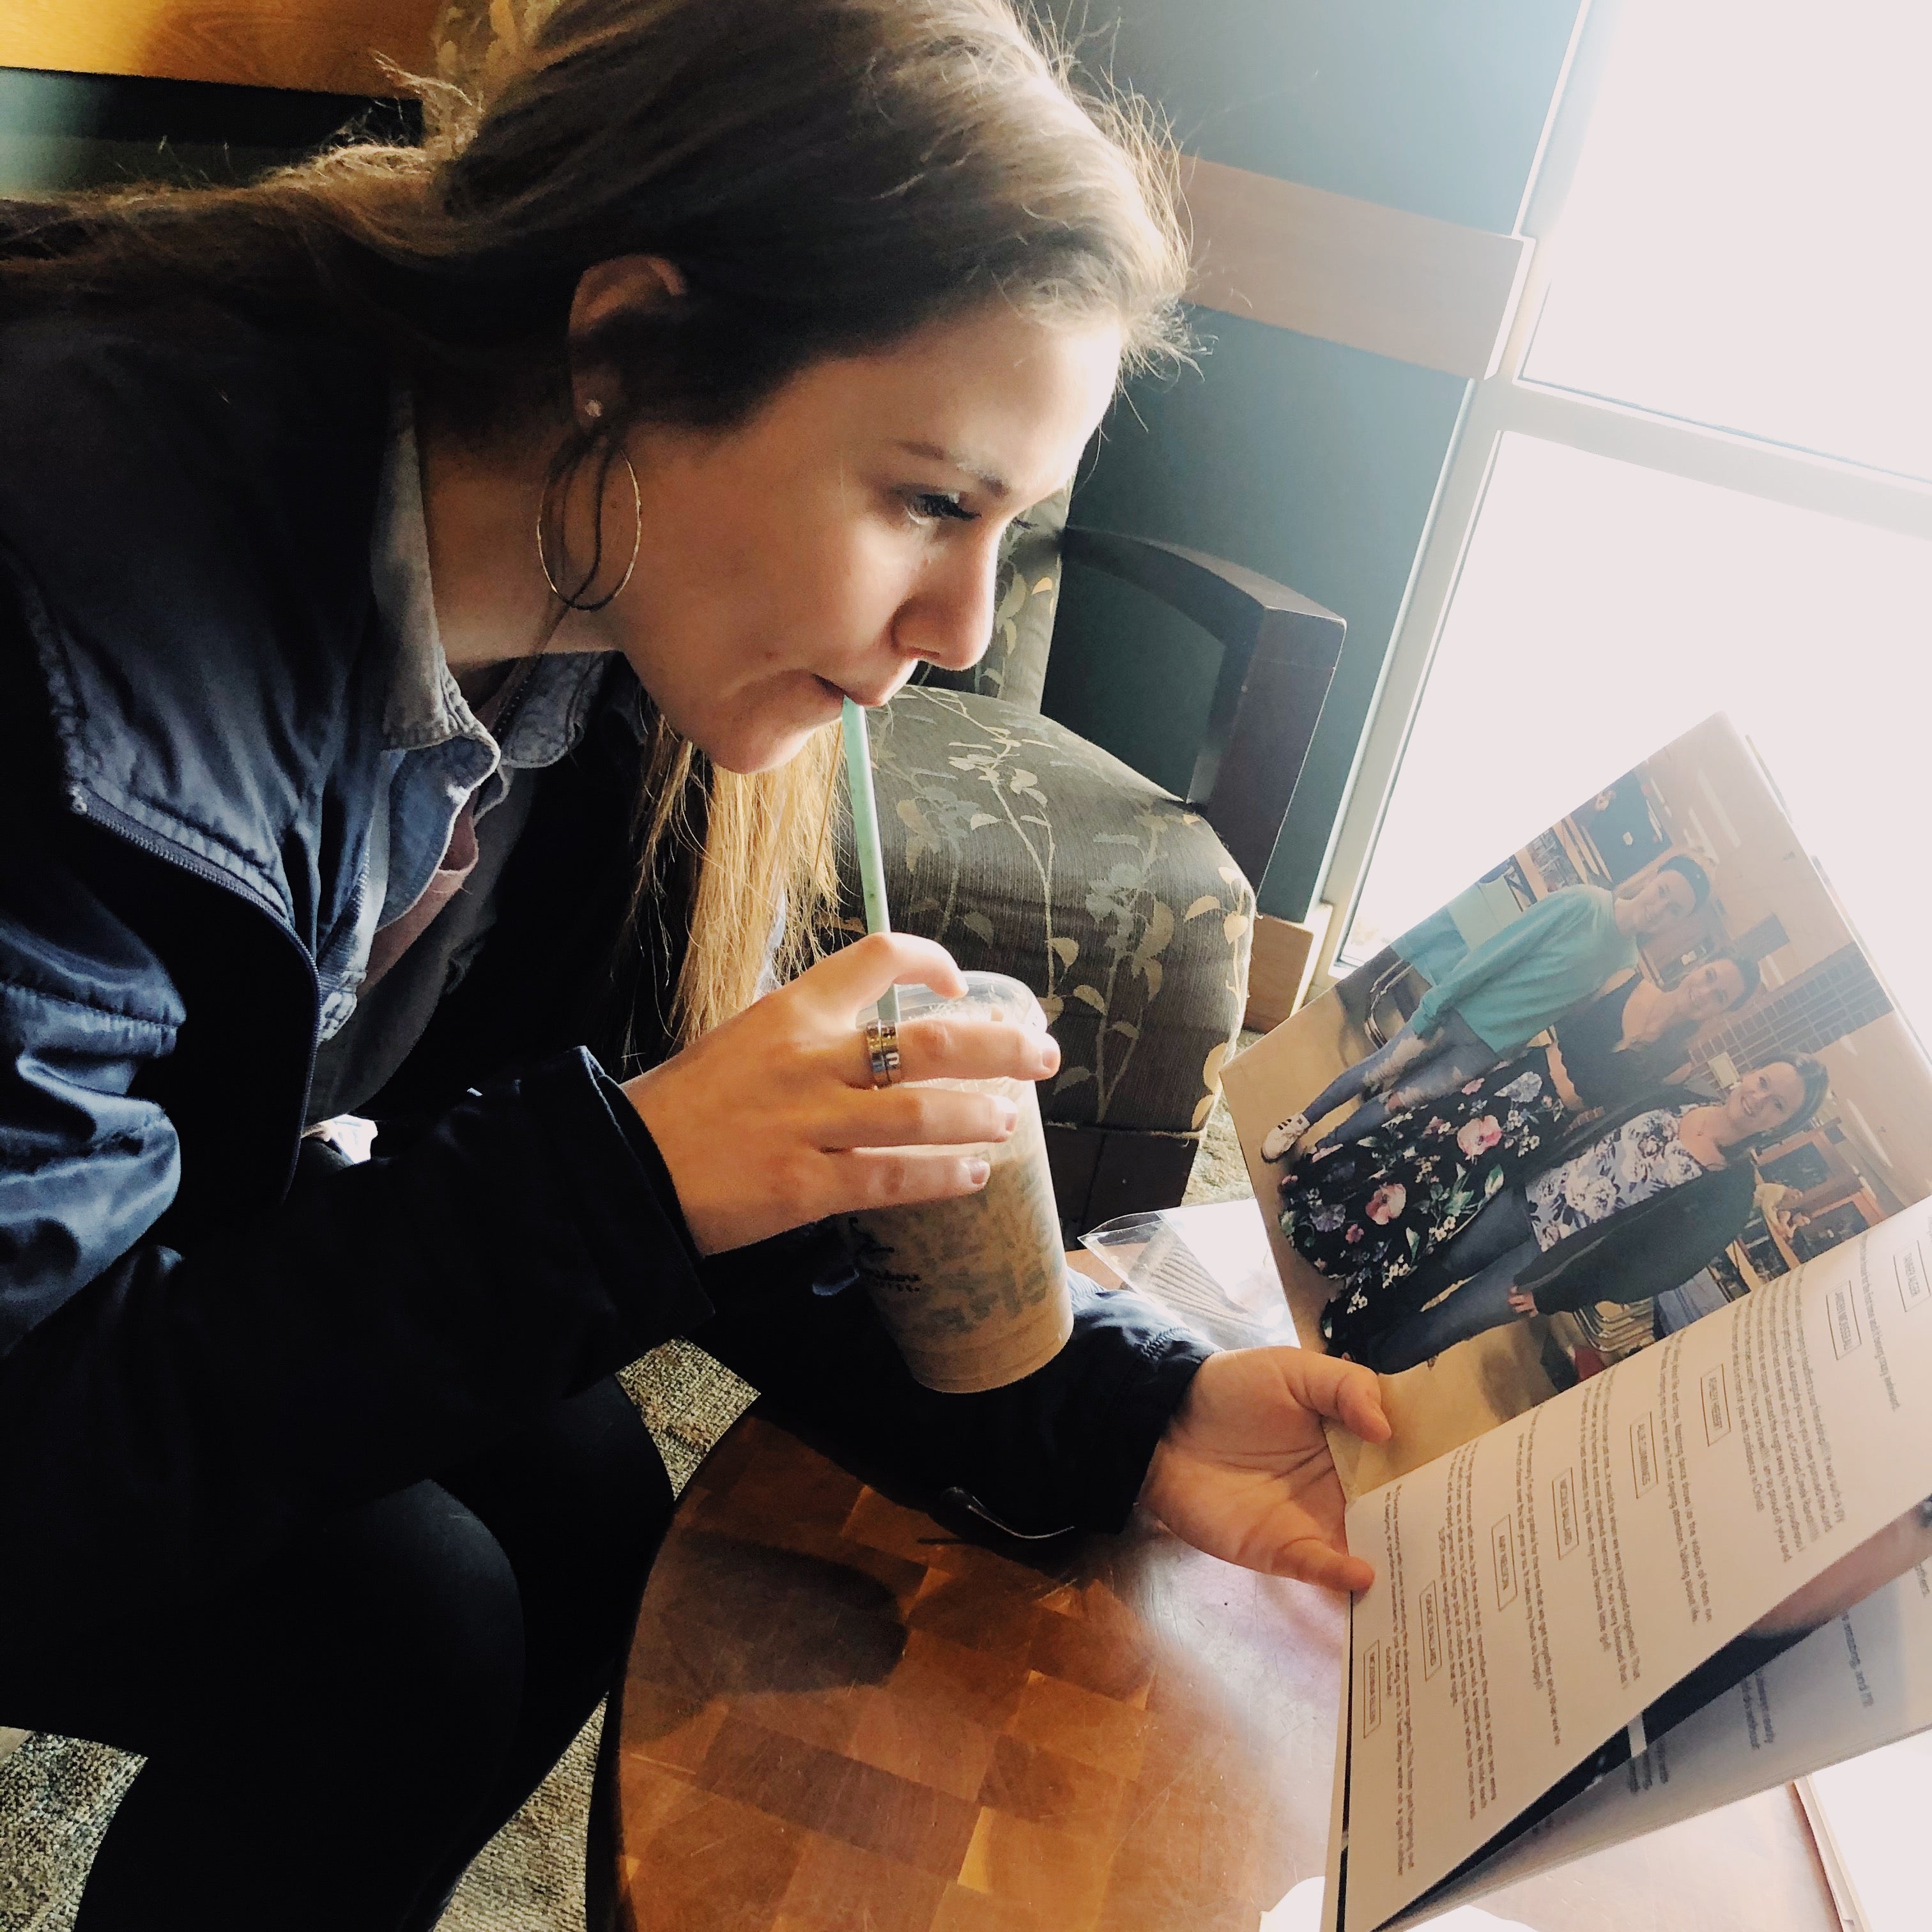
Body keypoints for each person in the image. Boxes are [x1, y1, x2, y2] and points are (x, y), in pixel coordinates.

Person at [0, 5, 1392, 1927]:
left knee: (580, 1497)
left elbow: (704, 1143)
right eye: (928, 499)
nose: (962, 628)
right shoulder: (67, 608)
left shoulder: (612, 595)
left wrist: (1123, 1413)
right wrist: (632, 1181)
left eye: (1007, 530)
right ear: (633, 346)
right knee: (400, 1627)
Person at [1288, 1057, 1828, 1370]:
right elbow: (1592, 1131)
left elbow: (1661, 1268)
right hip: (1524, 1199)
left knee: (1451, 1321)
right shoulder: (1678, 1097)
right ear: (1748, 1074)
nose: (1760, 1098)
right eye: (1764, 1081)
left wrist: (1559, 1294)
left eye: (1778, 1104)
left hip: (1551, 1265)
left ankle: (1360, 1369)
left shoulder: (1731, 1193)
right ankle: (1353, 1331)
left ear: (1779, 1125)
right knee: (1434, 1267)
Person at [1261, 858, 1713, 1163]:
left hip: (1489, 1049)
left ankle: (1321, 1152)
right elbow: (1502, 950)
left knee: (1398, 1102)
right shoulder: (1583, 903)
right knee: (1376, 1069)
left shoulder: (1626, 965)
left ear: (1678, 921)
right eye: (1663, 892)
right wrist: (1440, 999)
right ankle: (1302, 1120)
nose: (1661, 908)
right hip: (1458, 1010)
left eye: (1675, 909)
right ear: (1652, 879)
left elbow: (1568, 1010)